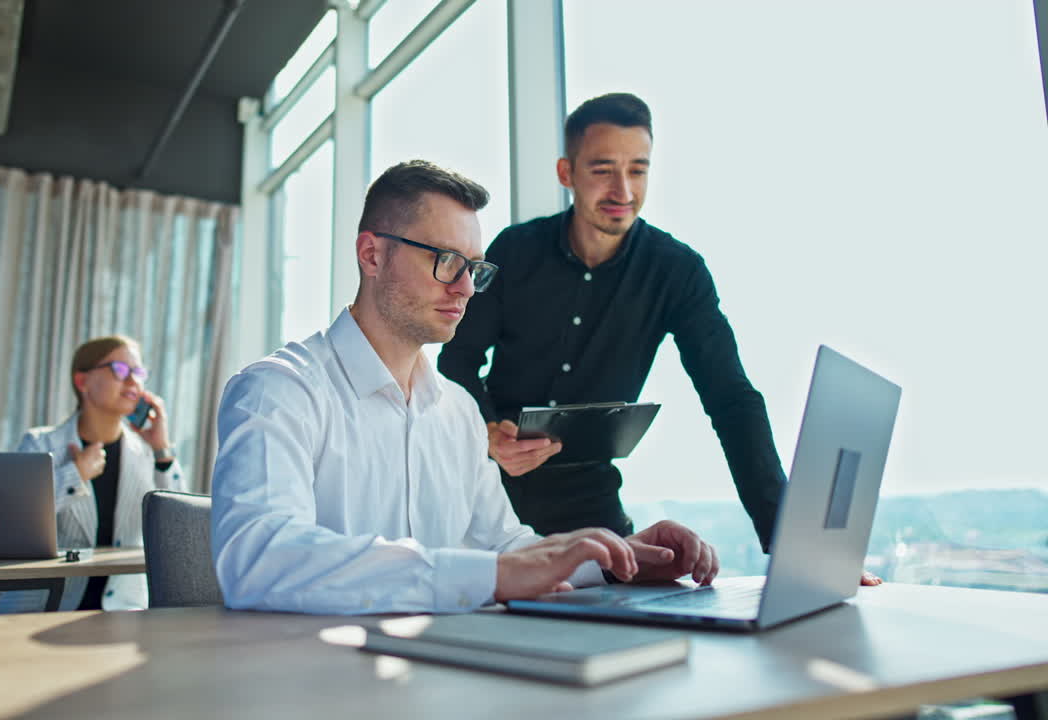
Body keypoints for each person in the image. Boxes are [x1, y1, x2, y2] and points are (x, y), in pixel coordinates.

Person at [212, 160, 719, 615]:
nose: (466, 288)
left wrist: (616, 560)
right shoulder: (277, 392)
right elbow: (260, 559)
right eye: (445, 259)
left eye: (474, 267)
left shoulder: (457, 411)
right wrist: (491, 577)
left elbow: (503, 548)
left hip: (440, 677)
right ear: (372, 254)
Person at [436, 94, 881, 585]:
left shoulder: (677, 271)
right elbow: (456, 361)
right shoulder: (516, 251)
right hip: (492, 507)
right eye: (603, 169)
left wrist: (791, 543)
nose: (622, 189)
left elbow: (731, 400)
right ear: (567, 173)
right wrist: (488, 432)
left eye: (638, 170)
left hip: (593, 514)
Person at [14, 335, 187, 610]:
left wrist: (162, 450)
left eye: (138, 372)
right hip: (46, 607)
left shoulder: (146, 451)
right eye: (120, 370)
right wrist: (76, 474)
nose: (133, 381)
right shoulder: (40, 444)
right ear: (82, 382)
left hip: (124, 612)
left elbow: (179, 524)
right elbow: (17, 522)